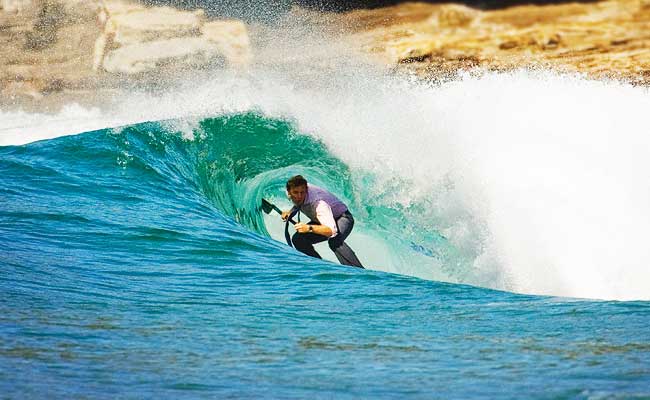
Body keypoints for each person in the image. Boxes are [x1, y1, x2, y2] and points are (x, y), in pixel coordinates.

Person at [281, 175, 364, 269]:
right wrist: (290, 212)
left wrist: (309, 228)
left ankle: (358, 271)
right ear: (289, 192)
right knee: (298, 239)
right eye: (295, 193)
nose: (299, 196)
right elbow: (299, 203)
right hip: (322, 220)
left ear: (306, 190)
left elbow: (330, 230)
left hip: (342, 218)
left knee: (334, 240)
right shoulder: (293, 189)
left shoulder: (319, 204)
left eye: (302, 192)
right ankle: (319, 267)